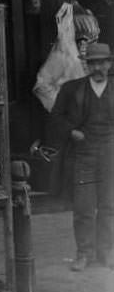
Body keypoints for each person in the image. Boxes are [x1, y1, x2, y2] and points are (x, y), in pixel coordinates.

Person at [49, 42, 114, 272]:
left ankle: (106, 253)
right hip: (83, 154)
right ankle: (84, 253)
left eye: (102, 62)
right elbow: (55, 117)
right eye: (93, 63)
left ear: (109, 63)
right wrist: (71, 131)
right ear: (87, 65)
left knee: (109, 205)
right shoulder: (71, 89)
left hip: (110, 153)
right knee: (84, 207)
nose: (97, 67)